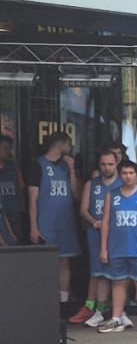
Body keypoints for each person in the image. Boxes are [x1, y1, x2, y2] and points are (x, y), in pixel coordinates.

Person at [97, 160, 137, 334]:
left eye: (131, 173)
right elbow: (106, 223)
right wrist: (104, 248)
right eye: (124, 173)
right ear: (120, 175)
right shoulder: (112, 195)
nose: (128, 176)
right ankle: (116, 318)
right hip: (117, 247)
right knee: (118, 282)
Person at [29, 131, 79, 309]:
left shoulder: (66, 166)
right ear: (61, 144)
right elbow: (32, 199)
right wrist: (34, 226)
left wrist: (72, 170)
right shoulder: (38, 165)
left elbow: (76, 194)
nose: (70, 148)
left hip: (65, 222)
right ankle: (45, 302)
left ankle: (63, 303)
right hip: (46, 222)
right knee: (47, 262)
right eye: (68, 144)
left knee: (65, 262)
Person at [77, 148, 122, 328]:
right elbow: (83, 210)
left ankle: (121, 311)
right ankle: (99, 310)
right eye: (103, 164)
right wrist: (94, 222)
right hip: (95, 233)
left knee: (120, 271)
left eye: (110, 164)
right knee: (99, 271)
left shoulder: (123, 182)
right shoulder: (92, 184)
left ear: (117, 163)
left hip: (117, 234)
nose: (106, 168)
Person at [0, 135, 23, 246]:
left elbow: (21, 186)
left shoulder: (12, 167)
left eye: (10, 148)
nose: (8, 151)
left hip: (14, 215)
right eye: (5, 148)